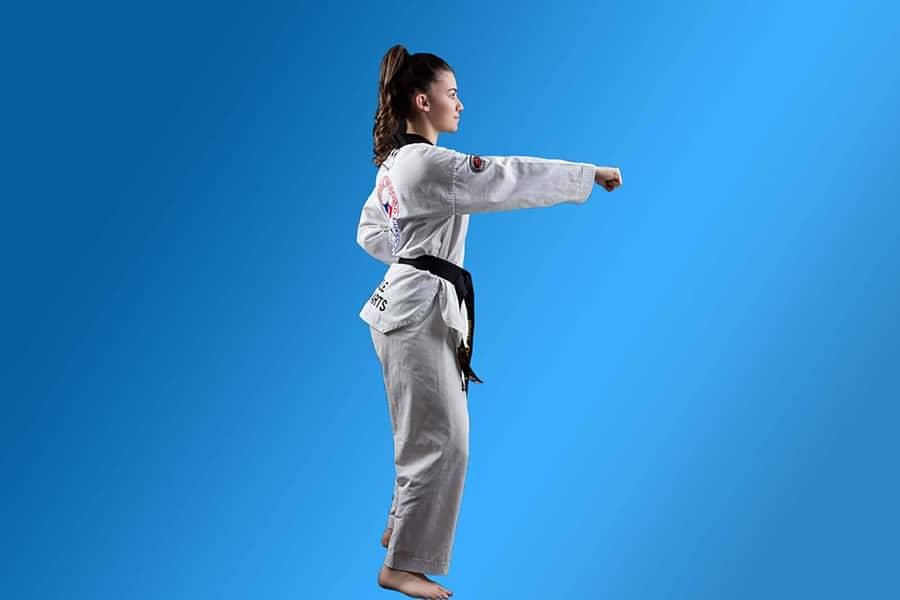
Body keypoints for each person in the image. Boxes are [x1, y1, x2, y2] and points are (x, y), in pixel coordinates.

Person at [357, 44, 622, 600]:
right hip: (417, 311)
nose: (460, 104)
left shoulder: (393, 168)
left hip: (404, 307)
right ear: (422, 101)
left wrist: (408, 258)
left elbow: (369, 232)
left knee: (420, 432)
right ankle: (401, 566)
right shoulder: (427, 164)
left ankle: (399, 527)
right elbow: (506, 177)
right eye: (451, 94)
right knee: (444, 440)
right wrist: (587, 175)